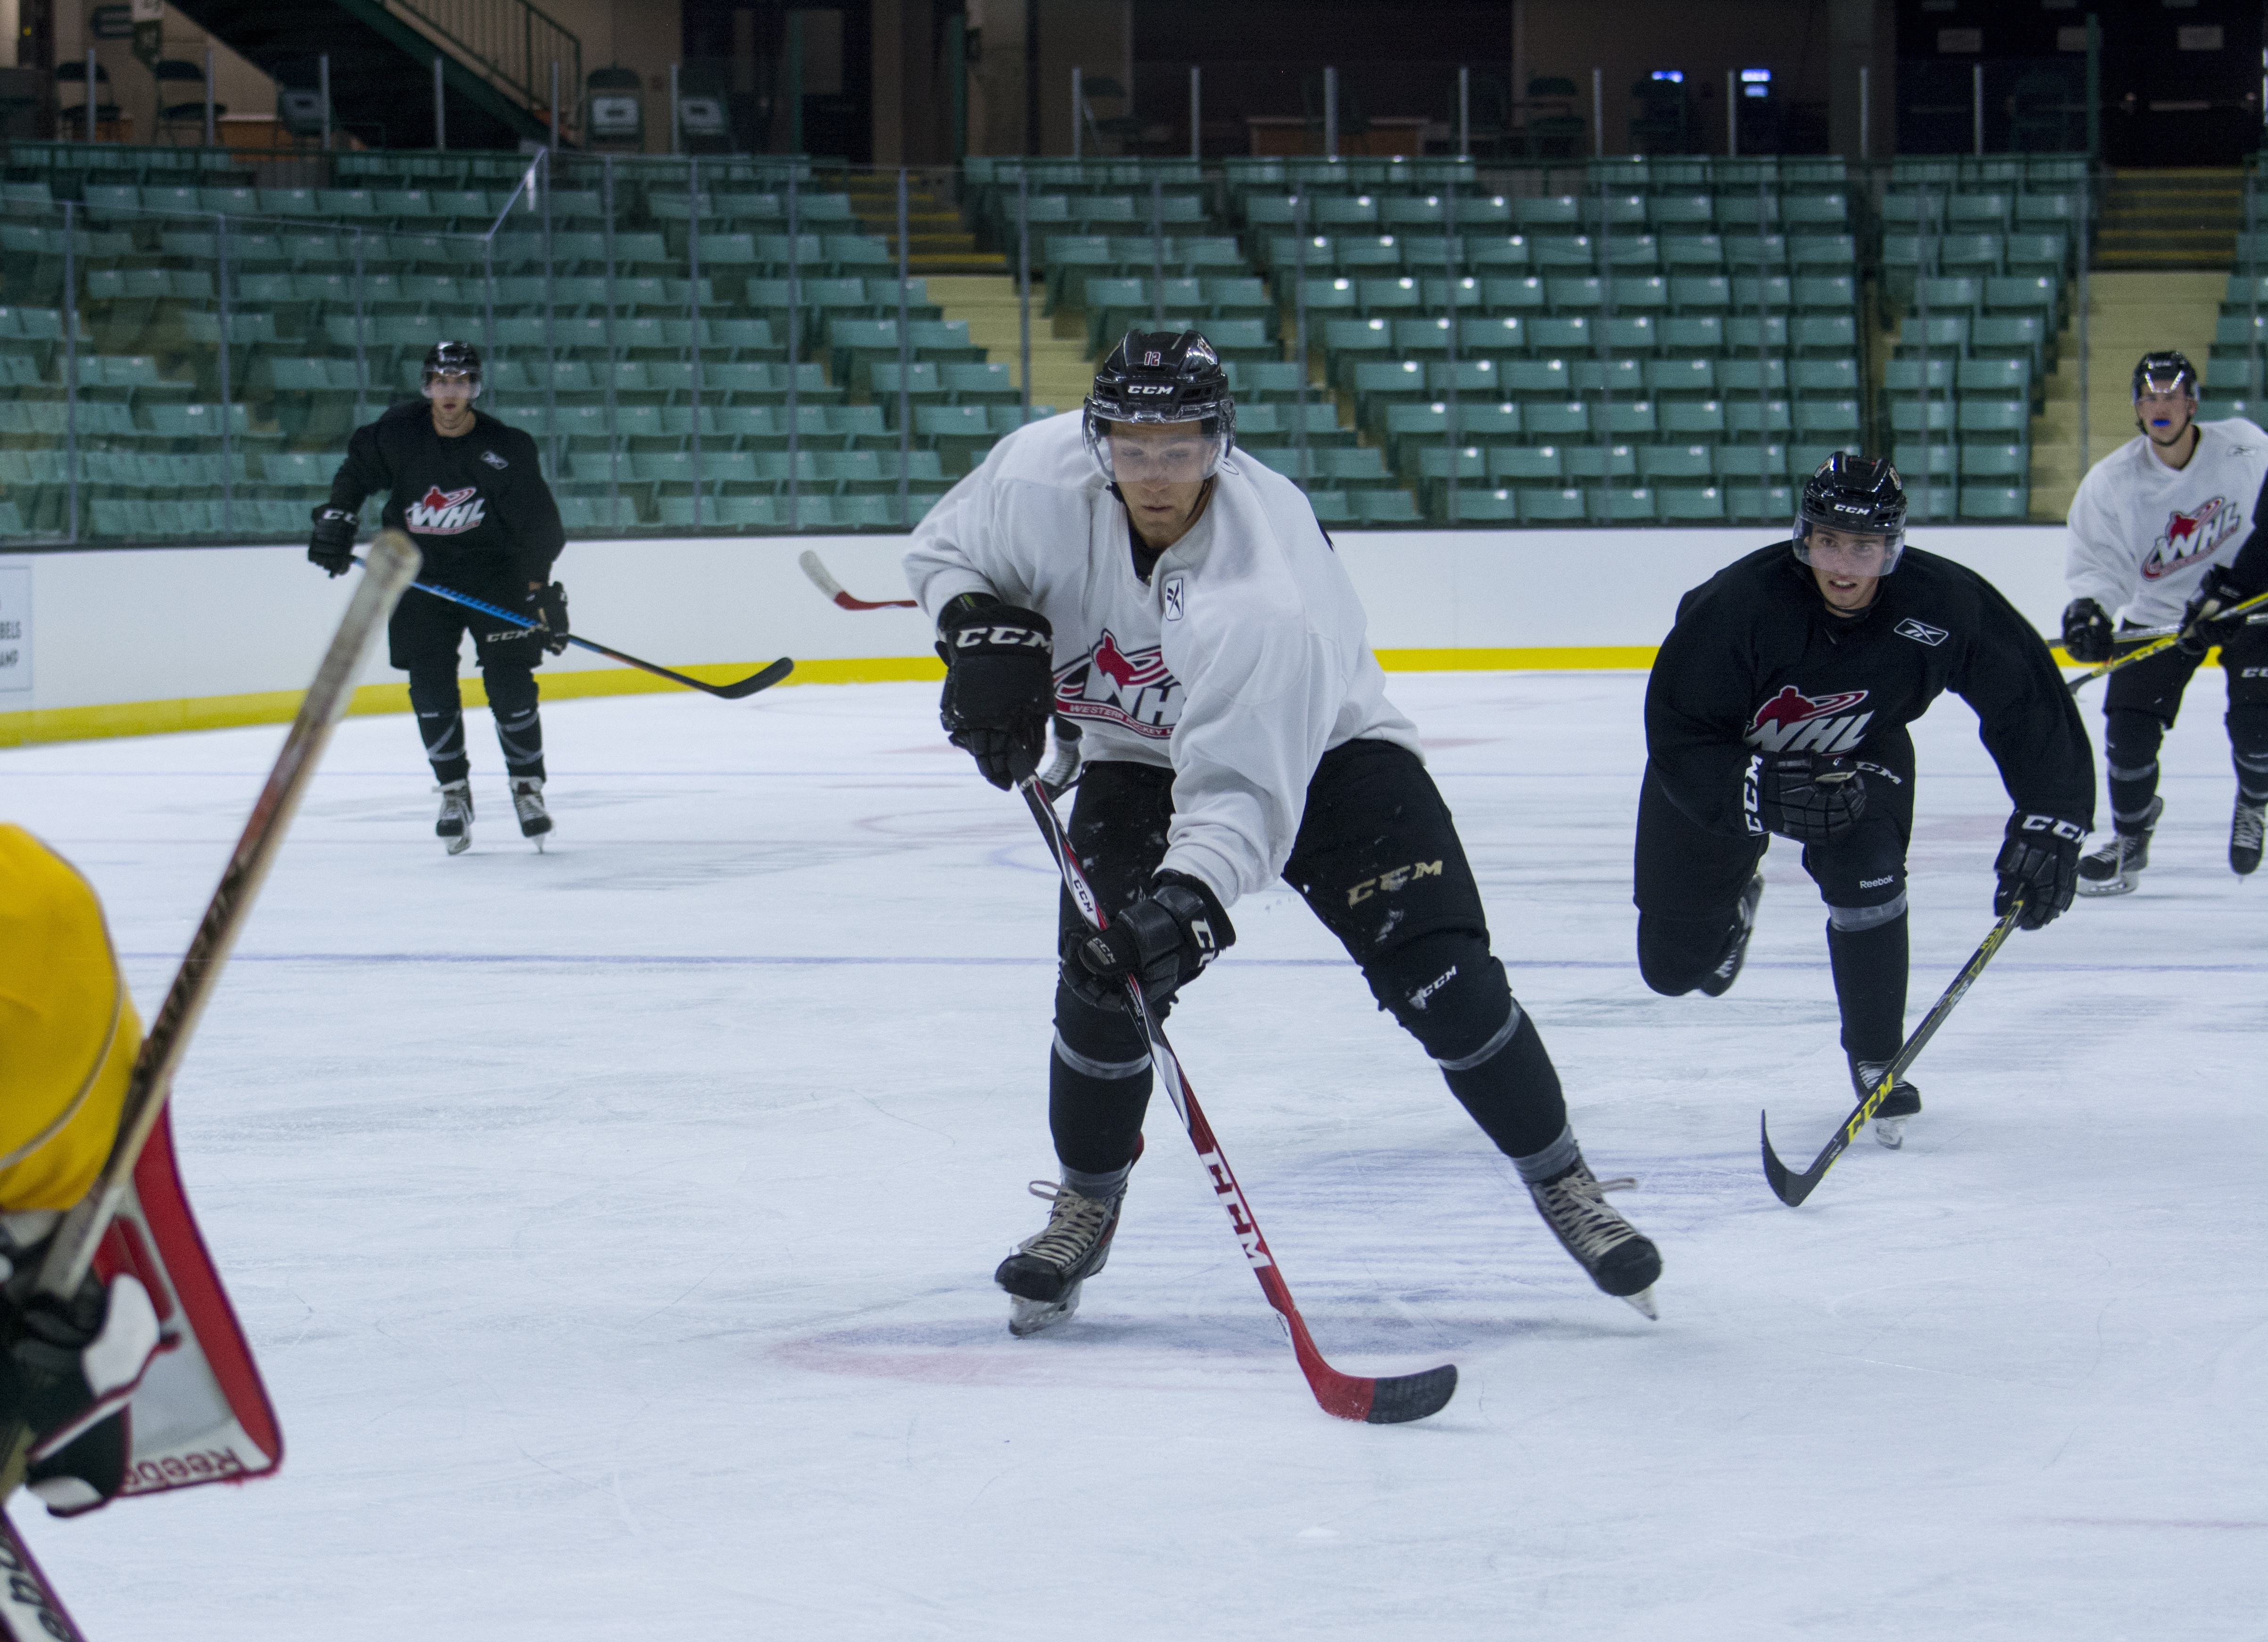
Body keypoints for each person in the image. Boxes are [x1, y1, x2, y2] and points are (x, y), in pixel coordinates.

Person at [904, 330, 1662, 1338]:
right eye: (1133, 449)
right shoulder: (1038, 474)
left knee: (1446, 982)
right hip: (1137, 761)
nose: (1156, 475)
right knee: (1098, 983)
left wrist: (1188, 908)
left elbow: (1243, 798)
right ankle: (1086, 1197)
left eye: (1182, 449)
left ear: (1221, 442)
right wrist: (978, 630)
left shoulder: (1267, 589)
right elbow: (943, 550)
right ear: (1098, 442)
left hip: (1332, 760)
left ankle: (1563, 1179)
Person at [1634, 455, 2093, 1148]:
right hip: (1728, 763)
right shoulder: (1739, 606)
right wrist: (1753, 793)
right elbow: (1677, 731)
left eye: (1865, 546)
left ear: (1893, 546)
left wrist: (2051, 818)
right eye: (1827, 541)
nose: (1844, 565)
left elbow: (2027, 701)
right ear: (1803, 538)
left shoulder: (1944, 603)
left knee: (1868, 864)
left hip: (1859, 753)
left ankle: (1877, 1053)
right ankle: (1735, 903)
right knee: (1673, 971)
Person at [307, 341, 569, 855]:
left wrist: (538, 590)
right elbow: (355, 475)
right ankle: (453, 791)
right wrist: (338, 516)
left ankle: (526, 787)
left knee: (511, 682)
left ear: (475, 388)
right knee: (429, 687)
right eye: (441, 382)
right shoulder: (396, 434)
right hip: (419, 578)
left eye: (462, 382)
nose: (451, 393)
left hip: (494, 576)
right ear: (428, 386)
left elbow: (538, 522)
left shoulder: (505, 446)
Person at [2060, 350, 2268, 889]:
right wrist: (2089, 609)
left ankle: (2253, 800)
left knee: (2257, 730)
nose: (2160, 406)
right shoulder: (2111, 481)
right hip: (2161, 618)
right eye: (2149, 396)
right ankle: (2130, 838)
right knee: (2126, 738)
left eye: (2171, 395)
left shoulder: (2245, 446)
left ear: (2192, 403)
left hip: (2245, 607)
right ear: (2135, 406)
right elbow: (2098, 564)